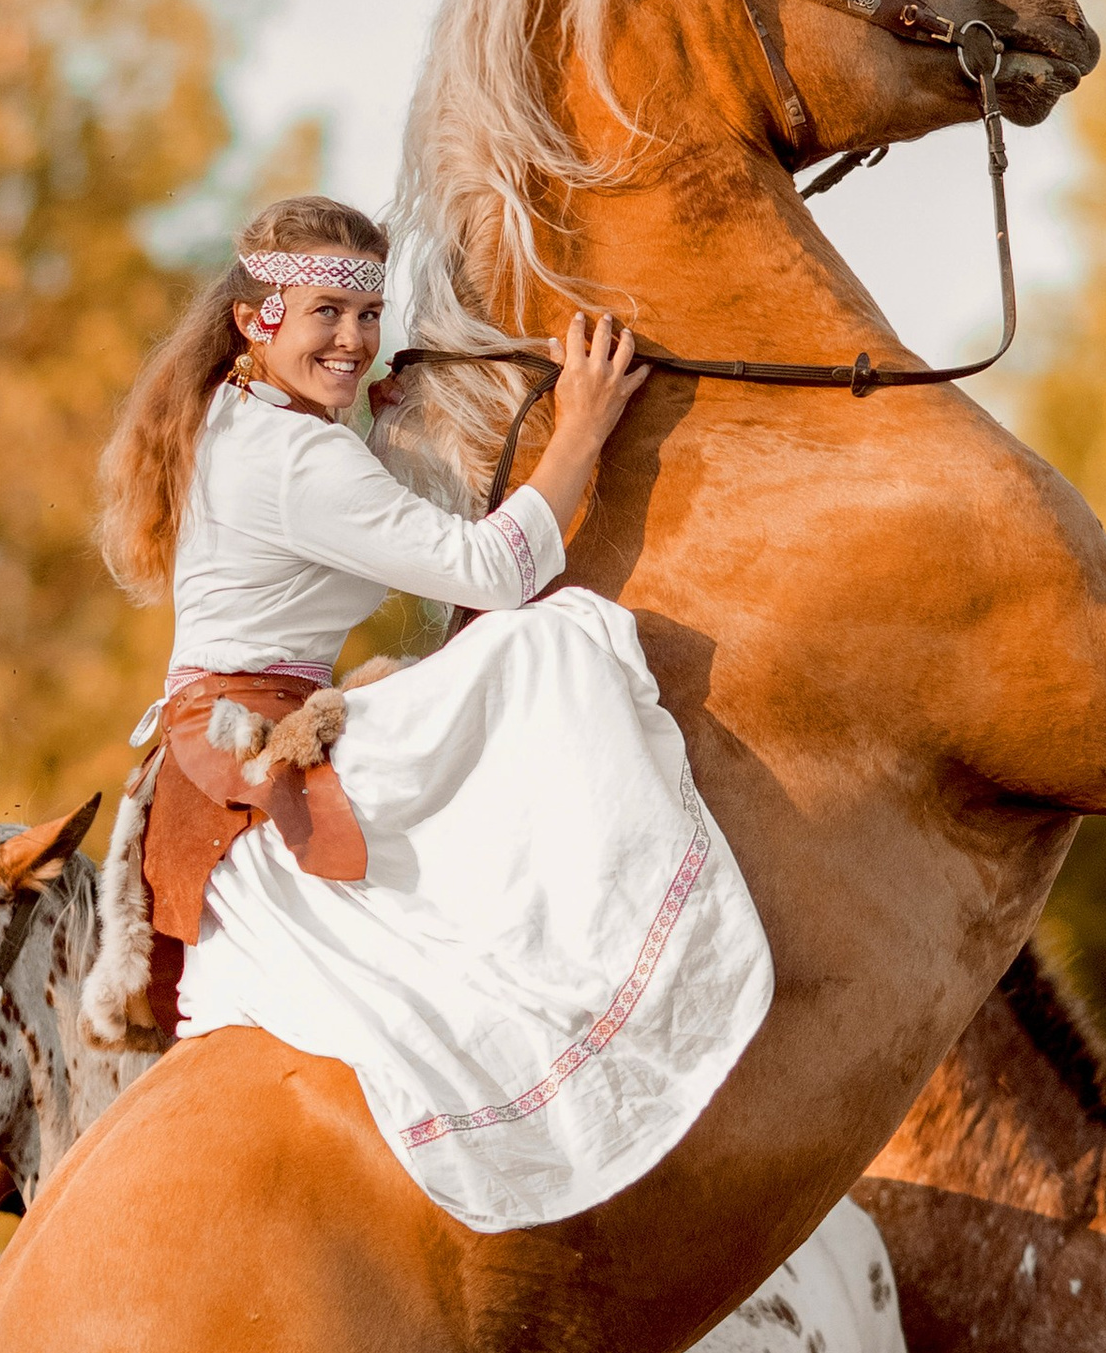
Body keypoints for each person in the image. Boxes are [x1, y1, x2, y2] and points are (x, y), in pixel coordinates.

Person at [89, 194, 771, 1233]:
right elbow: (494, 570)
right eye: (326, 314)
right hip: (251, 751)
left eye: (366, 317)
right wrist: (581, 427)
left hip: (226, 742)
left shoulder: (249, 420)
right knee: (555, 641)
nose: (354, 343)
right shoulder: (293, 455)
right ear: (254, 320)